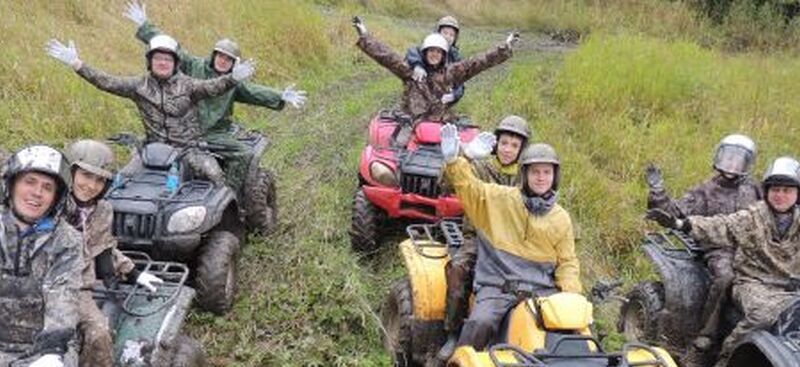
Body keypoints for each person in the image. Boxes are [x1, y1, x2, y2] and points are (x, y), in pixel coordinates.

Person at [123, 1, 307, 194]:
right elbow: (171, 49)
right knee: (145, 152)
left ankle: (231, 194)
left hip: (215, 133)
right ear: (213, 55)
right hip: (183, 129)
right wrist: (144, 25)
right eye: (220, 55)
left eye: (228, 59)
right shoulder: (195, 66)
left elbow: (255, 92)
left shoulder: (233, 83)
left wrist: (281, 95)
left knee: (245, 154)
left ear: (234, 64)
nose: (222, 61)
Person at [438, 125, 581, 355]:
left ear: (555, 176)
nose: (541, 178)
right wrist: (457, 161)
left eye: (547, 172)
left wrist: (571, 295)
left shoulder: (561, 218)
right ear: (525, 175)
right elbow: (470, 189)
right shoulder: (502, 199)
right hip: (499, 287)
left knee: (577, 333)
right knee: (479, 324)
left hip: (543, 292)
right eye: (535, 172)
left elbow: (567, 263)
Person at [648, 156, 800, 367]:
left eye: (787, 190)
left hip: (791, 287)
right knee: (762, 316)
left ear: (797, 194)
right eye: (775, 189)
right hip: (754, 283)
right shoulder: (753, 216)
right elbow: (722, 226)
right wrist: (681, 223)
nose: (780, 196)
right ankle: (725, 364)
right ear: (767, 191)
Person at [45, 34, 255, 185]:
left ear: (175, 63)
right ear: (150, 62)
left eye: (167, 59)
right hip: (152, 151)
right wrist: (77, 64)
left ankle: (237, 219)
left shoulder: (189, 85)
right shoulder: (138, 86)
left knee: (216, 179)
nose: (162, 62)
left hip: (189, 150)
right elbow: (106, 81)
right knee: (120, 182)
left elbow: (212, 87)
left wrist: (233, 78)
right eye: (158, 58)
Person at [64, 140, 163, 367]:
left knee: (99, 334)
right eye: (85, 175)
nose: (90, 185)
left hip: (76, 287)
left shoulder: (103, 210)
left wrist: (133, 272)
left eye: (99, 180)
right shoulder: (52, 200)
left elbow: (104, 249)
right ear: (71, 171)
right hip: (36, 283)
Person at [0, 145, 95, 367]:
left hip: (46, 347)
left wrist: (52, 351)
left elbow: (63, 295)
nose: (37, 193)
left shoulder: (65, 239)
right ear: (12, 184)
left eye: (47, 187)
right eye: (30, 182)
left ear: (56, 197)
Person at [645, 134, 762, 352]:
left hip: (752, 248)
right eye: (728, 157)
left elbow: (777, 205)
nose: (732, 164)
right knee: (726, 277)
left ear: (748, 164)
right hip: (719, 250)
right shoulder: (705, 190)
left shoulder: (754, 189)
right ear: (718, 157)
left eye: (738, 160)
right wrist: (658, 191)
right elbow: (675, 212)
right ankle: (707, 332)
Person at [439, 115, 532, 360]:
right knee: (459, 269)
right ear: (495, 144)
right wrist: (463, 156)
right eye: (504, 143)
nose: (508, 149)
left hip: (513, 243)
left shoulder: (527, 177)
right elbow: (445, 184)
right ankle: (453, 332)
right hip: (478, 236)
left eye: (514, 145)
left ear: (522, 149)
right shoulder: (481, 167)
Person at [352, 16, 518, 130]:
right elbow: (387, 56)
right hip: (411, 123)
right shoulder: (411, 72)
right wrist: (365, 36)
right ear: (424, 52)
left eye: (438, 52)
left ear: (444, 55)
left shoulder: (452, 72)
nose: (434, 54)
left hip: (441, 125)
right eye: (431, 51)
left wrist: (504, 48)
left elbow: (479, 62)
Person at [405, 15, 464, 106]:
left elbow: (460, 82)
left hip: (441, 98)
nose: (448, 37)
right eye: (445, 33)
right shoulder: (428, 45)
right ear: (438, 32)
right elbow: (413, 52)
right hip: (421, 92)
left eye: (452, 35)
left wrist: (454, 95)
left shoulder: (455, 57)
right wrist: (417, 66)